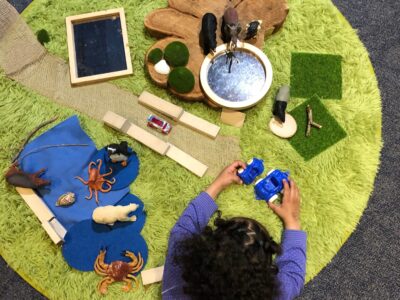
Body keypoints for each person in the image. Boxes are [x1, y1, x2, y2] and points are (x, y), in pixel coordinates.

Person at [162, 161, 306, 300]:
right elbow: (294, 276)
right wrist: (292, 220)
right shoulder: (274, 295)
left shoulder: (177, 281)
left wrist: (217, 185)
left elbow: (184, 228)